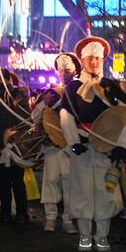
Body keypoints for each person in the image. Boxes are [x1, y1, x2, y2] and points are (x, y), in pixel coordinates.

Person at [60, 36, 126, 251]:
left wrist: (120, 143)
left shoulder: (111, 86)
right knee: (82, 191)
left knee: (105, 191)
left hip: (107, 147)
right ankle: (84, 235)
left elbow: (125, 114)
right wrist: (73, 142)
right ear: (83, 60)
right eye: (89, 58)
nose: (94, 63)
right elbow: (66, 115)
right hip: (82, 146)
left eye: (97, 59)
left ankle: (102, 236)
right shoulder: (73, 87)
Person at [35, 53, 80, 234]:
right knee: (50, 180)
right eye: (61, 70)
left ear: (75, 70)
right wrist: (44, 105)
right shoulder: (51, 92)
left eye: (67, 70)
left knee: (70, 183)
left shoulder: (80, 90)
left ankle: (68, 218)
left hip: (72, 145)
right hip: (52, 145)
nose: (64, 73)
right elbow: (35, 117)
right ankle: (51, 217)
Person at [0, 69, 30, 224]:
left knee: (17, 180)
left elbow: (23, 117)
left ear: (6, 79)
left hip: (14, 146)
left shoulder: (16, 95)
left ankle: (22, 212)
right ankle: (5, 211)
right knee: (2, 181)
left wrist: (15, 139)